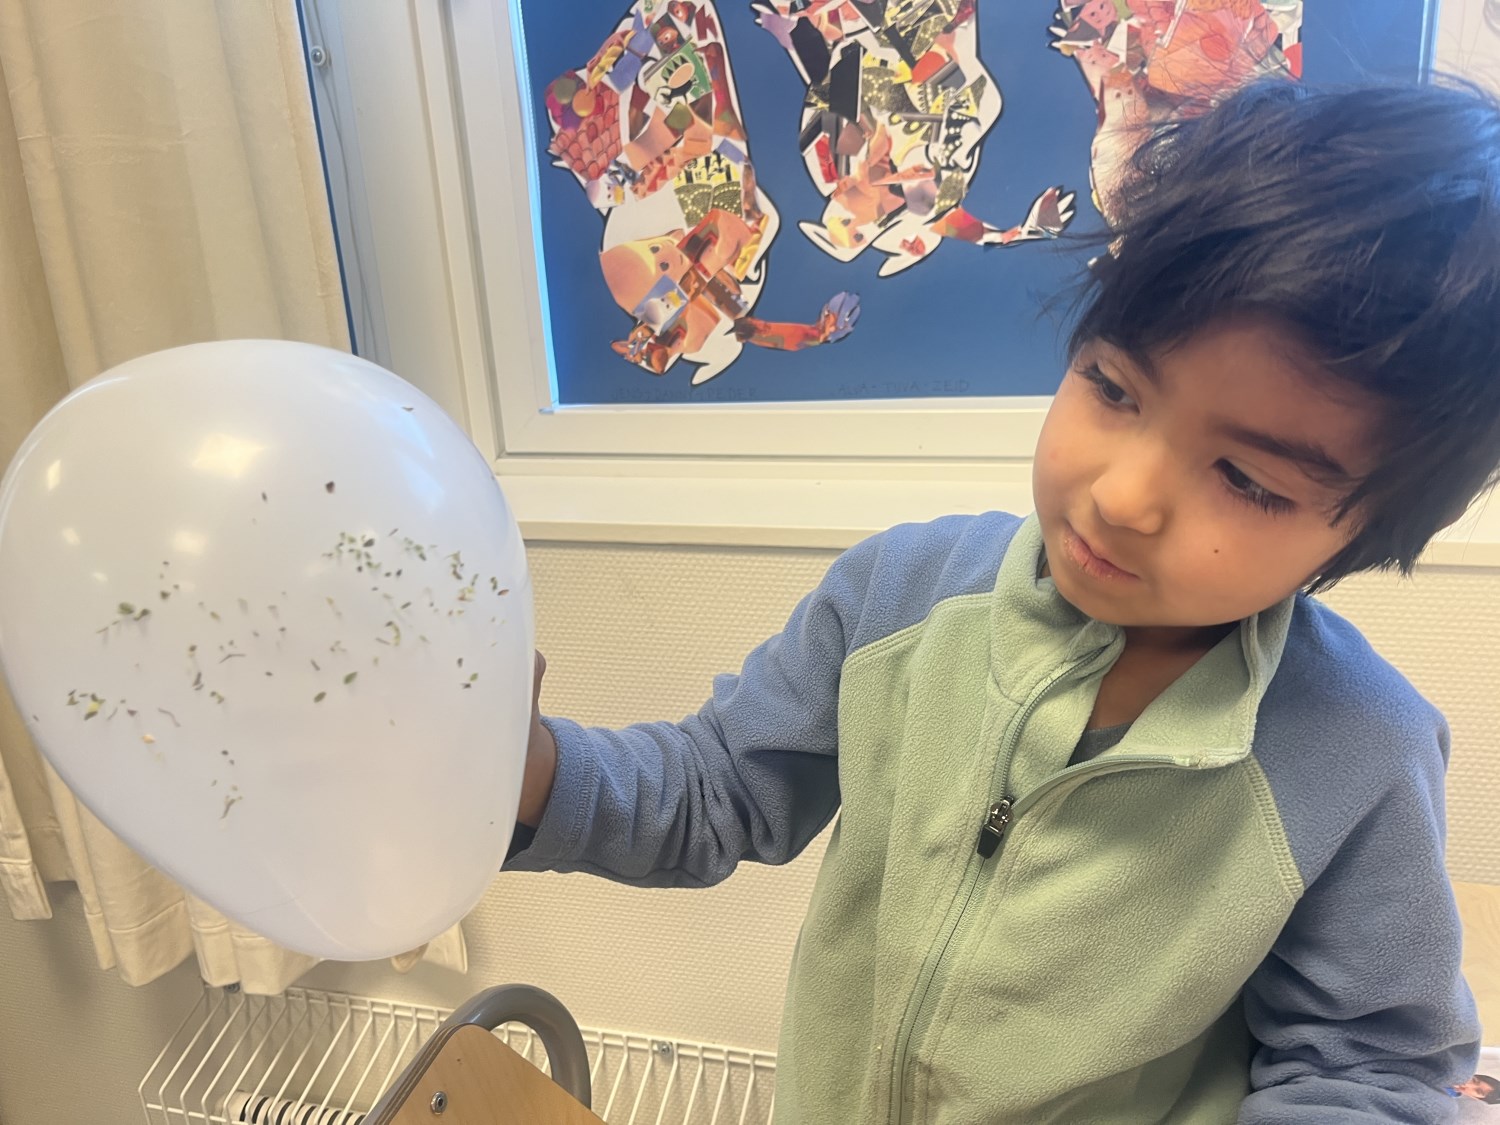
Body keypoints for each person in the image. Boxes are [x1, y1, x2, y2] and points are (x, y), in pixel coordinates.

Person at [504, 79, 1500, 1122]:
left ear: (1365, 531)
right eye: (1113, 388)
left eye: (1245, 479)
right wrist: (533, 772)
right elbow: (715, 790)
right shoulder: (899, 596)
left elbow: (1368, 1069)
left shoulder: (1359, 753)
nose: (1123, 498)